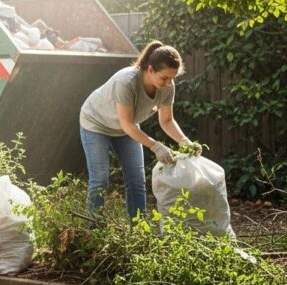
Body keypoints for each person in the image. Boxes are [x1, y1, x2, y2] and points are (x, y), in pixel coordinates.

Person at [78, 40, 201, 221]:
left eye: (172, 78)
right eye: (165, 78)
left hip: (126, 128)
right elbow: (127, 124)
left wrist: (186, 143)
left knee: (136, 180)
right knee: (100, 180)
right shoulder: (126, 82)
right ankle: (93, 231)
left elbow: (167, 121)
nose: (169, 83)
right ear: (150, 69)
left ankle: (138, 231)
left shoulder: (167, 87)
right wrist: (156, 146)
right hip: (96, 124)